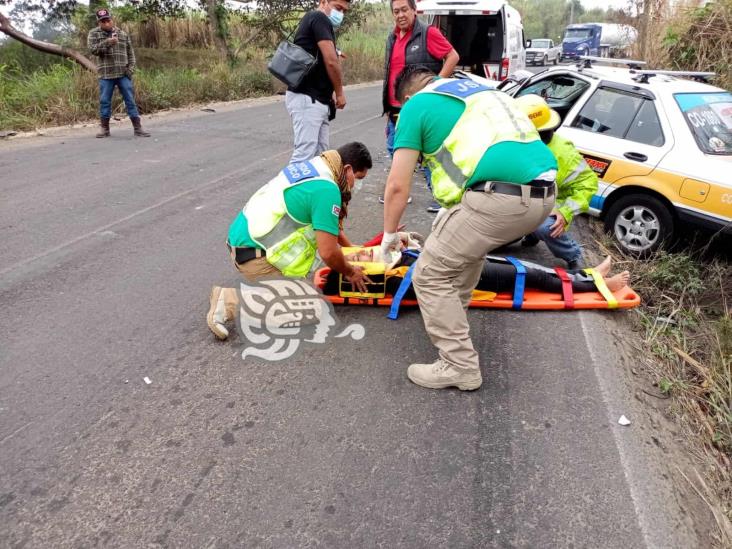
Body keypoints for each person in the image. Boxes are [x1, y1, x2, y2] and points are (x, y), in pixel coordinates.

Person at [381, 66, 558, 391]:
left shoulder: (416, 106)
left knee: (428, 275)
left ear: (406, 98)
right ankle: (451, 319)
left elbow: (396, 186)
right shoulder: (481, 92)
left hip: (501, 200)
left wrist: (389, 236)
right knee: (466, 251)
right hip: (544, 197)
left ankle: (458, 366)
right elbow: (478, 156)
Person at [207, 142, 373, 340]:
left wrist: (350, 249)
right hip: (255, 256)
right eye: (359, 178)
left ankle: (274, 289)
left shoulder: (317, 167)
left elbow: (327, 225)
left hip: (245, 241)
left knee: (314, 284)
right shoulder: (327, 190)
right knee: (313, 308)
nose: (358, 185)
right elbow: (328, 252)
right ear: (347, 169)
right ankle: (230, 302)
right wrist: (350, 271)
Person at [379, 0, 459, 211]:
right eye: (396, 11)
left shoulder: (427, 33)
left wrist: (433, 87)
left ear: (414, 10)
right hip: (397, 108)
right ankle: (400, 194)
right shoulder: (392, 37)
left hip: (420, 107)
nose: (400, 15)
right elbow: (391, 73)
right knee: (394, 148)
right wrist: (388, 107)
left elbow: (452, 56)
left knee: (427, 155)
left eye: (404, 10)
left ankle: (444, 198)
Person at [330, 247, 629, 297]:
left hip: (448, 263)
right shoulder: (379, 282)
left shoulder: (376, 269)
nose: (358, 265)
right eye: (354, 269)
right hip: (454, 275)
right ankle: (597, 286)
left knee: (521, 266)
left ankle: (589, 274)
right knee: (526, 276)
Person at [516, 95, 599, 269]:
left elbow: (588, 183)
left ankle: (572, 254)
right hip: (521, 198)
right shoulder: (513, 144)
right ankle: (529, 232)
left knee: (546, 227)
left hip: (552, 203)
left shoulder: (563, 153)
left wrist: (565, 212)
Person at [286, 0, 351, 163]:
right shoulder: (319, 18)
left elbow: (317, 50)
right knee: (304, 156)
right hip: (308, 97)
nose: (341, 14)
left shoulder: (313, 20)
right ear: (323, 2)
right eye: (338, 8)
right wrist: (340, 93)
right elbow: (331, 61)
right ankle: (285, 188)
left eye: (344, 11)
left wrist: (337, 51)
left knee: (321, 158)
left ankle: (313, 189)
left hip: (316, 99)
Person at [87, 9, 150, 138]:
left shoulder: (122, 34)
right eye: (103, 21)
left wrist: (130, 70)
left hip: (123, 74)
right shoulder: (94, 34)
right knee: (105, 101)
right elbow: (93, 50)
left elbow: (130, 54)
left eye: (108, 20)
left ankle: (138, 128)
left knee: (130, 100)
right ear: (99, 22)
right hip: (106, 74)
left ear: (112, 20)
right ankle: (105, 129)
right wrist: (108, 42)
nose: (106, 23)